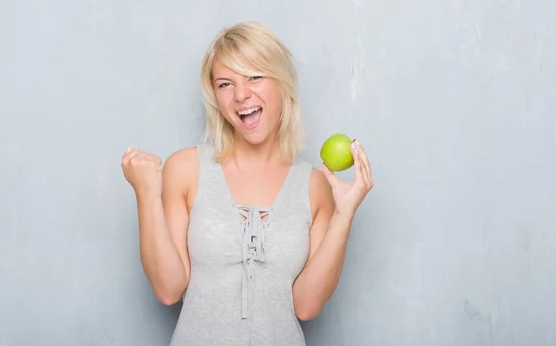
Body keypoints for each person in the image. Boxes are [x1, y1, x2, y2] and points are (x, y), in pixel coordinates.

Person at [121, 21, 373, 346]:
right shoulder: (185, 168)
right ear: (216, 97)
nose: (241, 95)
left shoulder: (314, 185)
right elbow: (168, 289)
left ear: (282, 83)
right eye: (226, 84)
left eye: (254, 77)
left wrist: (344, 213)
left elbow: (307, 306)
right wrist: (147, 195)